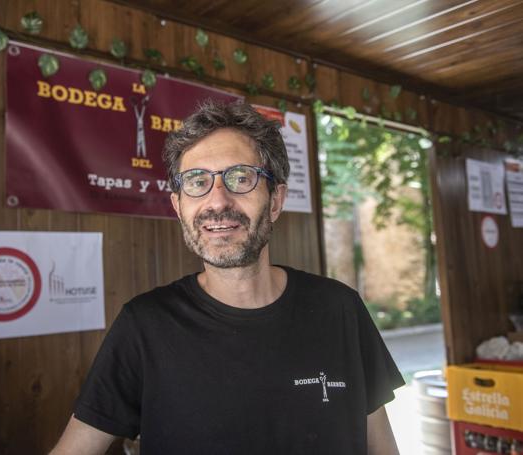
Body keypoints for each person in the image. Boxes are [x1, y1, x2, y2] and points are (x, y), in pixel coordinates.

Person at [51, 100, 404, 454]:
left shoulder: (339, 309)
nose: (217, 201)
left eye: (240, 178)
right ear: (178, 206)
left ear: (276, 200)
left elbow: (383, 448)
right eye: (197, 181)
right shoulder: (144, 325)